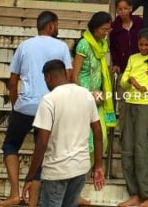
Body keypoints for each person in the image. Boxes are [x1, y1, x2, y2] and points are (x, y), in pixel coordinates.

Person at [1, 11, 73, 207]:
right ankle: (33, 201)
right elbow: (68, 78)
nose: (57, 28)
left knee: (10, 145)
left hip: (25, 106)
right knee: (43, 151)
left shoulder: (24, 46)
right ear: (51, 26)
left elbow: (13, 82)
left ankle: (15, 193)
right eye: (56, 25)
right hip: (51, 107)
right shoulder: (61, 47)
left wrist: (16, 105)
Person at [23, 59, 106, 207]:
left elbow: (42, 142)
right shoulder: (86, 95)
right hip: (80, 168)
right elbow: (98, 132)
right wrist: (98, 165)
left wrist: (30, 177)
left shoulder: (49, 100)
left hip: (56, 171)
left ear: (48, 77)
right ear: (66, 74)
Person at [118, 28, 148, 207]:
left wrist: (146, 89)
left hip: (145, 106)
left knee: (142, 148)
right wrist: (129, 81)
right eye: (141, 44)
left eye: (147, 45)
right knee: (127, 148)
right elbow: (123, 80)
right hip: (128, 104)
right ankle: (135, 194)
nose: (143, 48)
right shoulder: (132, 58)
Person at [73, 11, 117, 153]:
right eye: (103, 29)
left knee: (101, 137)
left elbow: (100, 69)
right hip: (84, 97)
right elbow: (74, 74)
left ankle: (94, 171)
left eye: (108, 29)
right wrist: (84, 95)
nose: (106, 33)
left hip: (98, 97)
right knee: (88, 139)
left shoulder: (102, 44)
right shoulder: (84, 45)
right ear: (94, 28)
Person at [110, 0, 144, 74]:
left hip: (140, 61)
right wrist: (116, 63)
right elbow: (113, 48)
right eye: (120, 9)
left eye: (125, 8)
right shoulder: (114, 26)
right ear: (117, 11)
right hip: (123, 64)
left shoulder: (139, 22)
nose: (123, 11)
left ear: (130, 8)